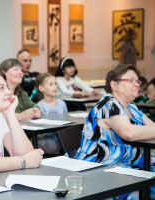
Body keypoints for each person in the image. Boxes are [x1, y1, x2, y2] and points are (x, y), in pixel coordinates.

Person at [76, 64, 155, 200]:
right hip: (101, 170)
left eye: (138, 81)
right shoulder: (108, 104)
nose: (137, 84)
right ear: (114, 85)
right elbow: (129, 133)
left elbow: (152, 127)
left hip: (126, 166)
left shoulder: (131, 107)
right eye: (131, 80)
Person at [35, 73, 68, 154]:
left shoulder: (62, 103)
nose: (55, 86)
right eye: (51, 84)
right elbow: (38, 133)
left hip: (61, 136)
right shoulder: (39, 106)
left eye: (55, 84)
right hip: (47, 139)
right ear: (41, 88)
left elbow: (68, 121)